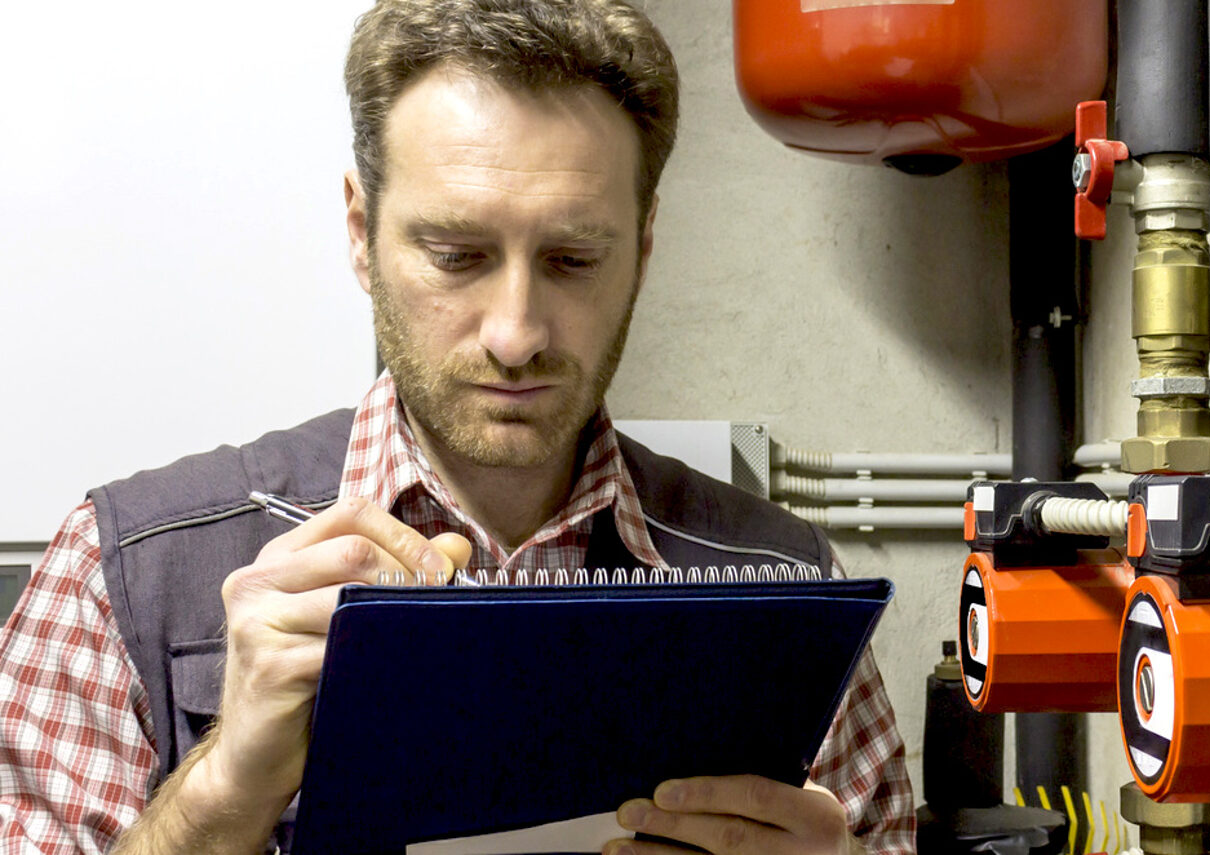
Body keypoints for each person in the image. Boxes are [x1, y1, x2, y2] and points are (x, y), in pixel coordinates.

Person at [0, 1, 914, 853]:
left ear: (641, 248)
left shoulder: (782, 585)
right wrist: (220, 794)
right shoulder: (121, 571)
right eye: (456, 256)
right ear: (361, 232)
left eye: (572, 259)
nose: (515, 333)